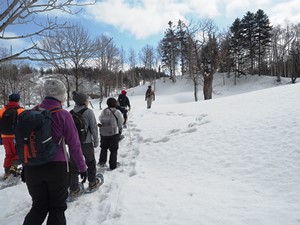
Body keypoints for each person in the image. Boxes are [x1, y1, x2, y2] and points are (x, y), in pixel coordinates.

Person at [22, 79, 87, 225]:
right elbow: (74, 145)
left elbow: (22, 142)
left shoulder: (30, 114)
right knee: (57, 209)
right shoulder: (63, 115)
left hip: (32, 168)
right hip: (57, 168)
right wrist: (82, 167)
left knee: (38, 208)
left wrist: (24, 164)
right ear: (61, 96)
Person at [69, 91, 100, 196]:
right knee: (90, 163)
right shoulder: (88, 112)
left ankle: (74, 189)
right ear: (84, 101)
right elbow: (94, 128)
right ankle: (92, 183)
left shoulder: (70, 113)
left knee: (73, 166)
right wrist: (96, 141)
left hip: (73, 144)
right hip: (86, 143)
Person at [0, 93, 24, 179]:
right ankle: (13, 168)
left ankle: (7, 171)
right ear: (18, 100)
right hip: (15, 136)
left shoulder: (2, 110)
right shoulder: (20, 110)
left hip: (4, 137)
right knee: (18, 152)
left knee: (9, 154)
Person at [98, 97, 124, 170]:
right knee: (113, 149)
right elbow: (121, 121)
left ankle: (102, 162)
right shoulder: (117, 112)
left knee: (104, 147)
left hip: (103, 133)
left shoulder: (104, 111)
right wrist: (119, 129)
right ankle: (113, 165)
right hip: (113, 133)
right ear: (115, 104)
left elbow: (100, 119)